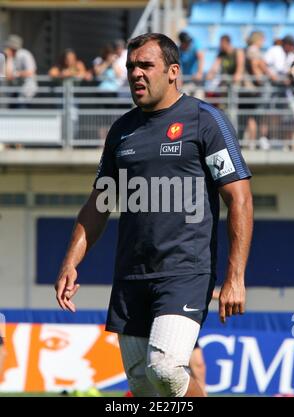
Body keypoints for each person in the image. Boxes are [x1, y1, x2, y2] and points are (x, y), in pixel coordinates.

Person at [55, 33, 253, 398]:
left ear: (173, 71)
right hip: (131, 274)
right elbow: (99, 203)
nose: (136, 74)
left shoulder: (206, 121)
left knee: (164, 369)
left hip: (184, 271)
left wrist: (235, 277)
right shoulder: (122, 130)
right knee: (143, 385)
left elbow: (239, 199)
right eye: (131, 67)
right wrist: (70, 261)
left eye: (146, 65)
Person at [4, 34, 38, 106]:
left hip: (27, 90)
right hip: (14, 90)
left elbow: (31, 71)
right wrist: (8, 58)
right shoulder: (8, 57)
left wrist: (16, 74)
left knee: (23, 111)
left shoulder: (25, 54)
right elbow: (8, 75)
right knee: (12, 113)